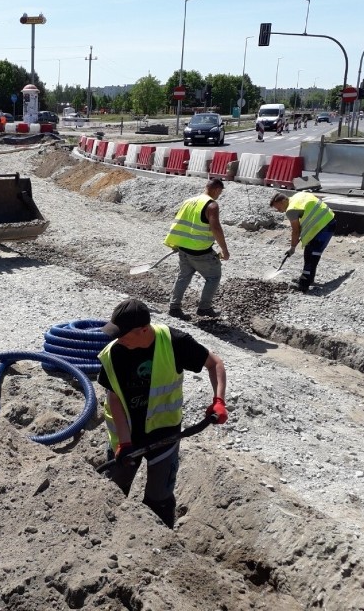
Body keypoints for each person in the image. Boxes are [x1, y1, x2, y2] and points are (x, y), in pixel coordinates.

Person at [97, 298, 228, 528]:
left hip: (165, 435)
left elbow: (214, 363)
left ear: (143, 330)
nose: (119, 340)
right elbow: (114, 396)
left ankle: (160, 541)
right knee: (113, 491)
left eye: (124, 334)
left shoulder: (175, 342)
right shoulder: (114, 353)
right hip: (125, 437)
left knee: (160, 499)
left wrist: (218, 400)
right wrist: (125, 443)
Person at [164, 178, 230, 319]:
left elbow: (180, 222)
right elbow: (216, 228)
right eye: (220, 193)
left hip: (183, 248)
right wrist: (224, 249)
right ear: (217, 190)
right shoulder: (212, 205)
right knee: (213, 276)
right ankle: (204, 307)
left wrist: (177, 243)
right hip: (200, 251)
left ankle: (174, 307)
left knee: (183, 276)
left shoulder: (189, 201)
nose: (219, 195)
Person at [269, 192, 337, 292]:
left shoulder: (291, 210)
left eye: (278, 207)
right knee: (312, 252)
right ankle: (308, 278)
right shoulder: (298, 196)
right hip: (329, 219)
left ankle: (304, 285)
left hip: (323, 226)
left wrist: (292, 248)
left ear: (284, 201)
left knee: (311, 254)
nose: (279, 211)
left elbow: (296, 230)